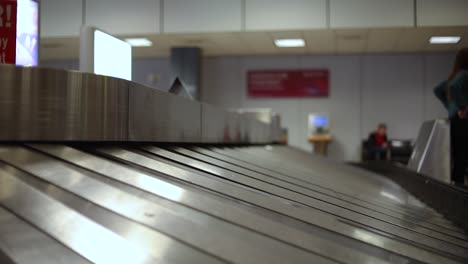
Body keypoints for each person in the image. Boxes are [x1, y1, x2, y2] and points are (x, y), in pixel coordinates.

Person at [434, 48, 468, 186]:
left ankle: (457, 183)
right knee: (463, 154)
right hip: (463, 120)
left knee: (459, 154)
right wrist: (463, 107)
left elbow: (438, 90)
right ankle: (460, 185)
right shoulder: (465, 74)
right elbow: (454, 87)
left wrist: (450, 107)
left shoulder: (454, 75)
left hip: (454, 120)